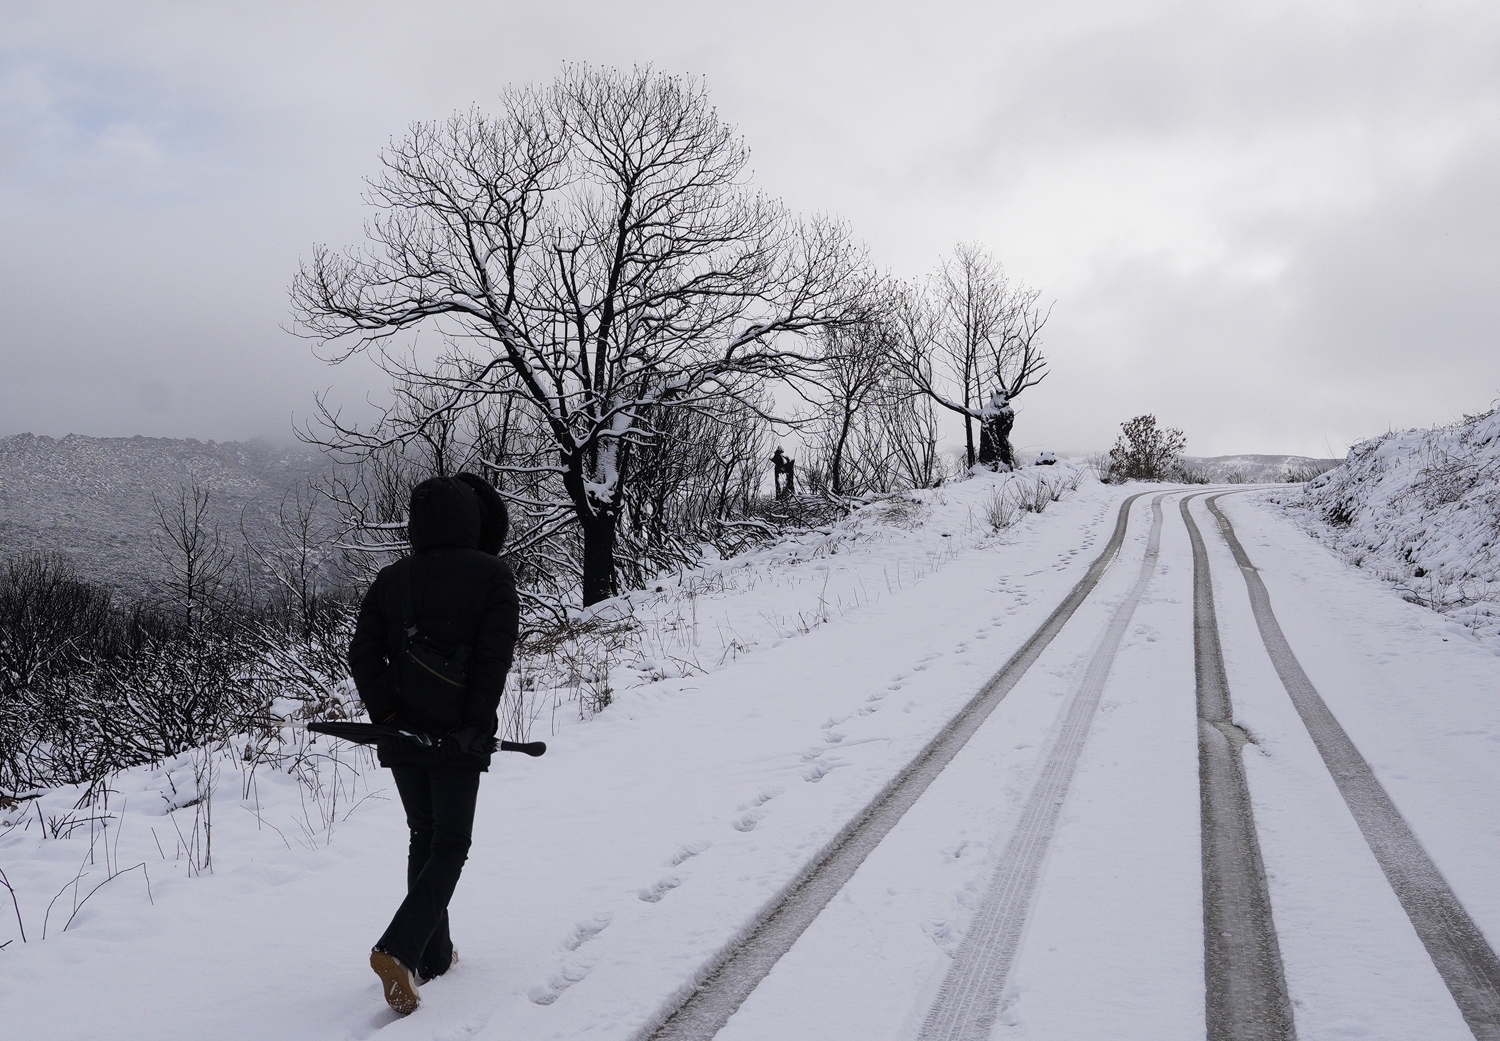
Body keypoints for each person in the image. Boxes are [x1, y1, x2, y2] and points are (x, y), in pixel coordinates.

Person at [348, 473, 520, 1015]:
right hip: (455, 735)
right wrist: (472, 726)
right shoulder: (493, 575)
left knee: (423, 834)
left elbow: (362, 655)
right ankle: (398, 949)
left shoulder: (392, 578)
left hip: (401, 731)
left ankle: (433, 956)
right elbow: (492, 663)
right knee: (450, 843)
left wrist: (389, 714)